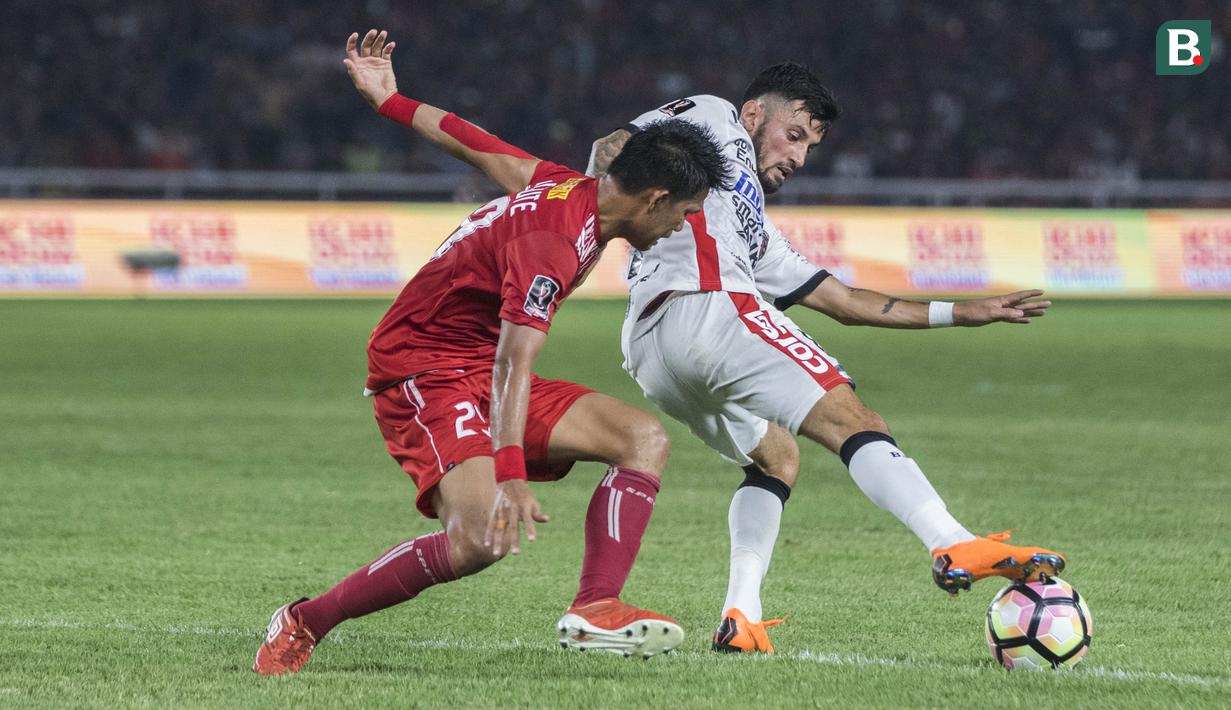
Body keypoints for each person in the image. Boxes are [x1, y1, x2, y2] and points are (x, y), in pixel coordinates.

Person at [253, 30, 730, 675]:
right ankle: (305, 620)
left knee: (641, 439)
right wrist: (509, 474)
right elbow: (515, 362)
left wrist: (390, 101)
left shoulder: (562, 186)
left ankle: (596, 605)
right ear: (652, 198)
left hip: (476, 362)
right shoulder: (553, 244)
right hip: (422, 366)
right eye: (684, 212)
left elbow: (470, 140)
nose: (681, 226)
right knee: (478, 541)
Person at [582, 64, 1067, 653]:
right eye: (795, 134)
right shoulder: (713, 116)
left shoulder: (754, 231)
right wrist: (602, 179)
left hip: (651, 351)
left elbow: (844, 301)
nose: (800, 157)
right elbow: (611, 146)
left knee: (777, 458)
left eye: (810, 146)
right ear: (755, 114)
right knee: (856, 422)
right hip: (709, 308)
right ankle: (950, 539)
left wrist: (965, 312)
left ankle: (742, 615)